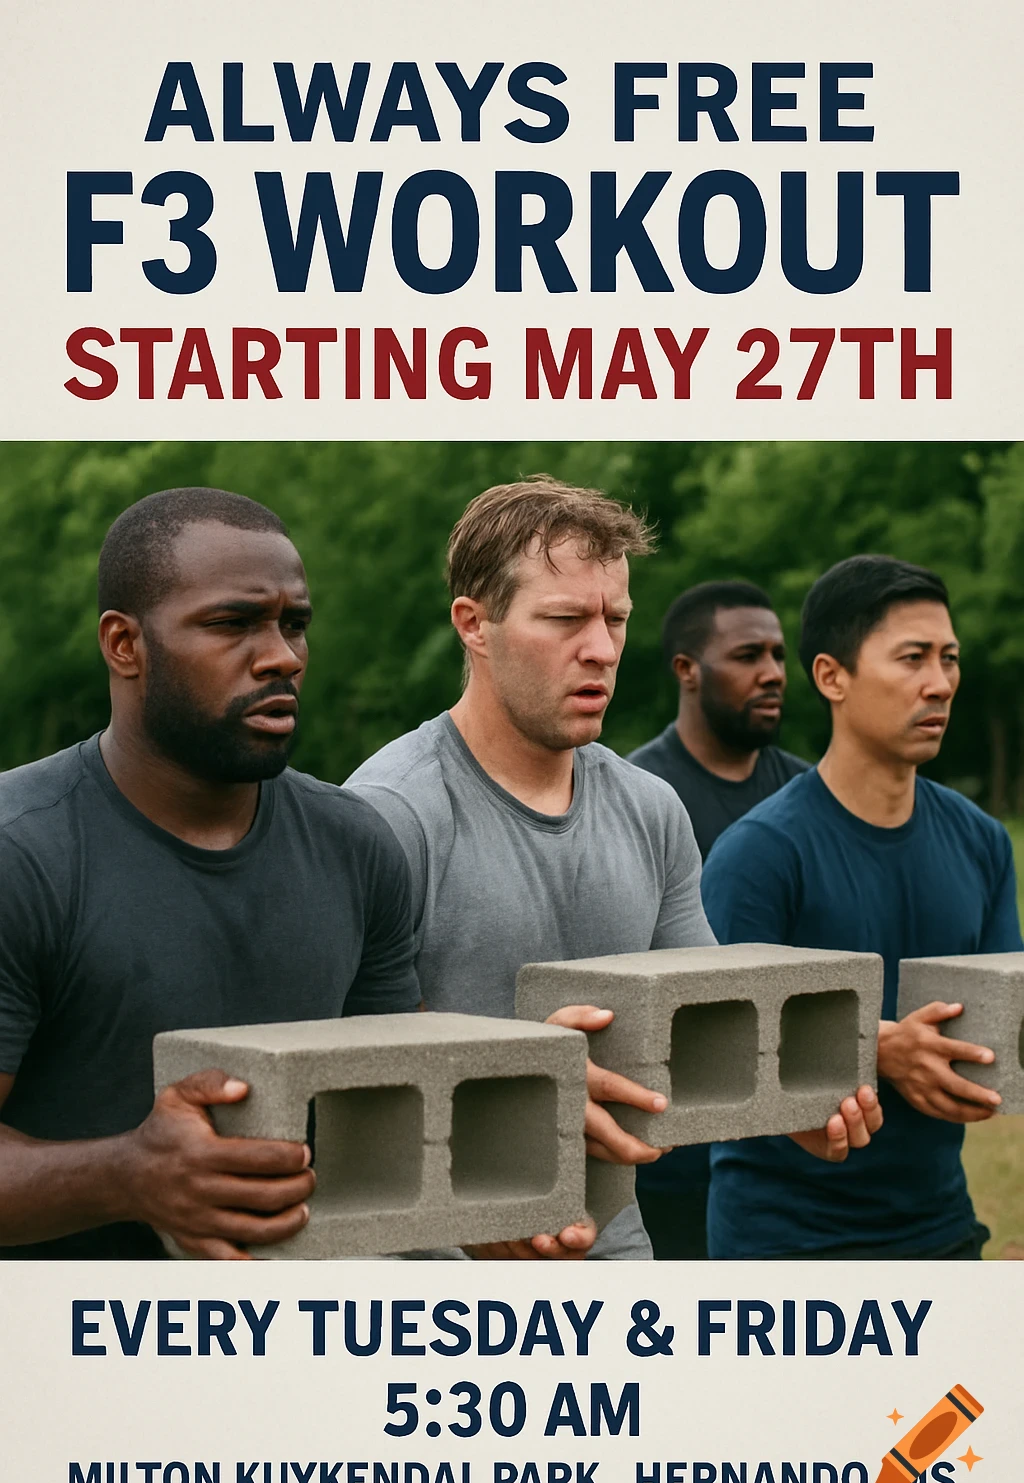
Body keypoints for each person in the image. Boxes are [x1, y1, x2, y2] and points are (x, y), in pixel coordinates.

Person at [347, 477, 880, 1260]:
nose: (600, 648)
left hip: (616, 1248)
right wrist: (515, 1087)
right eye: (565, 619)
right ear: (474, 624)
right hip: (436, 1266)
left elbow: (705, 1020)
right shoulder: (388, 815)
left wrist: (788, 1095)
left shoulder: (650, 808)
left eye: (616, 619)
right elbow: (354, 1070)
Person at [0, 487, 424, 1260]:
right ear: (124, 644)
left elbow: (393, 1113)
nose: (282, 657)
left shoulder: (357, 846)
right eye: (232, 624)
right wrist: (126, 1176)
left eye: (294, 624)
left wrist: (543, 1095)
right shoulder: (22, 854)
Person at [701, 553, 1020, 1260]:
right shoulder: (759, 854)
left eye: (948, 658)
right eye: (912, 658)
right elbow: (714, 1046)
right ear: (831, 676)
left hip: (941, 1227)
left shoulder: (983, 842)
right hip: (785, 1246)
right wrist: (876, 1047)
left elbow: (1000, 1025)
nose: (940, 683)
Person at [628, 580, 808, 1258]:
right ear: (687, 669)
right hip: (669, 1163)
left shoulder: (805, 800)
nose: (772, 673)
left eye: (778, 655)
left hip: (785, 1152)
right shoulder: (638, 803)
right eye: (747, 655)